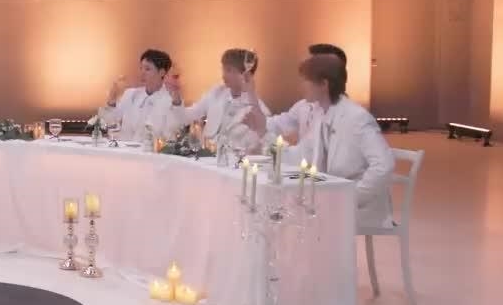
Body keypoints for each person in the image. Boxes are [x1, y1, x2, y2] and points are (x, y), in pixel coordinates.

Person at [251, 54, 394, 227]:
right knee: (277, 210)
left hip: (359, 205)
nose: (302, 86)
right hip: (329, 195)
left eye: (306, 81)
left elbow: (383, 164)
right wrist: (265, 138)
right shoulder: (320, 113)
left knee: (293, 217)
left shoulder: (357, 118)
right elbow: (301, 155)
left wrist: (354, 197)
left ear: (324, 84)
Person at [168, 48, 270, 152]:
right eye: (223, 69)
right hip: (204, 155)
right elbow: (187, 117)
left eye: (229, 70)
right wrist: (177, 101)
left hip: (232, 159)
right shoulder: (216, 92)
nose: (223, 75)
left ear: (245, 75)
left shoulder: (257, 109)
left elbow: (260, 145)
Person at [258, 43, 347, 145]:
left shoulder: (349, 119)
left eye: (308, 73)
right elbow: (278, 125)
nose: (302, 82)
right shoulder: (305, 106)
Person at [99, 49, 180, 142]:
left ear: (162, 72)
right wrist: (112, 100)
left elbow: (170, 136)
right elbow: (109, 121)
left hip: (150, 150)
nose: (142, 72)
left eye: (147, 69)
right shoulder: (130, 94)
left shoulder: (170, 101)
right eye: (141, 68)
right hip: (123, 148)